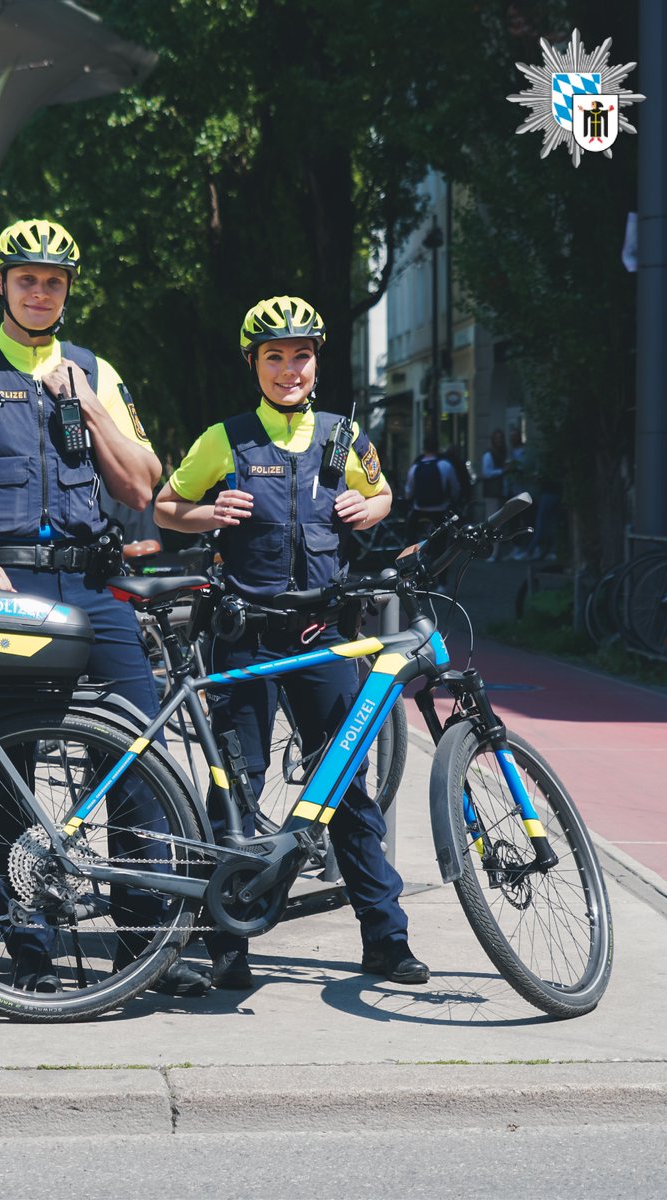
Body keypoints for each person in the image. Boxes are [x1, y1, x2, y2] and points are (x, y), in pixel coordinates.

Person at [0, 217, 210, 998]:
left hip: (96, 589)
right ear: (0, 284)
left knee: (138, 755)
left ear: (67, 290)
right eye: (25, 278)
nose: (40, 291)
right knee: (11, 766)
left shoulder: (95, 371)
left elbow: (141, 486)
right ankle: (27, 945)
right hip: (11, 593)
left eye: (54, 281)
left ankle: (143, 943)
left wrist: (88, 405)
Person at [154, 295, 429, 991]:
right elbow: (164, 505)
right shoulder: (227, 437)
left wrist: (369, 506)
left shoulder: (343, 434)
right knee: (235, 789)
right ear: (255, 364)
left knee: (347, 789)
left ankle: (385, 940)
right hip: (245, 637)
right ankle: (229, 946)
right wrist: (206, 510)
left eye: (300, 355)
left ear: (316, 362)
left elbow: (385, 494)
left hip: (324, 636)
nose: (289, 369)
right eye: (274, 357)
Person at [403, 433, 459, 542]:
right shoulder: (445, 465)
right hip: (439, 509)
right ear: (437, 448)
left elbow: (408, 492)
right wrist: (453, 499)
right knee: (443, 539)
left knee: (410, 533)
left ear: (424, 448)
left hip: (419, 509)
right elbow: (455, 487)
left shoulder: (415, 467)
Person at [480, 428, 508, 561]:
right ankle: (492, 552)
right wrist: (502, 471)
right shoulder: (489, 454)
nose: (499, 441)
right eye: (497, 438)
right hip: (492, 492)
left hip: (500, 492)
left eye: (501, 438)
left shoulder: (503, 453)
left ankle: (496, 553)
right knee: (493, 523)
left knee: (498, 523)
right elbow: (486, 472)